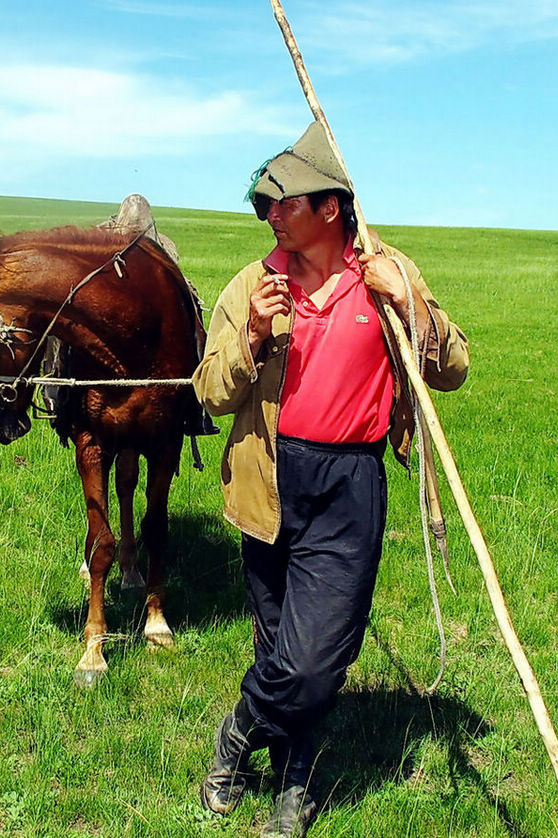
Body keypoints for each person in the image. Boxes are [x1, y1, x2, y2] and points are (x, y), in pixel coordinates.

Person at [191, 121, 469, 837]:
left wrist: (407, 305)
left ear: (330, 208)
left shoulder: (384, 273)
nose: (270, 216)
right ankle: (294, 786)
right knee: (278, 645)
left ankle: (234, 735)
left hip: (350, 484)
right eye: (266, 205)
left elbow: (452, 366)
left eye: (284, 203)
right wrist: (251, 336)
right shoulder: (253, 284)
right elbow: (210, 393)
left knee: (315, 662)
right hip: (269, 478)